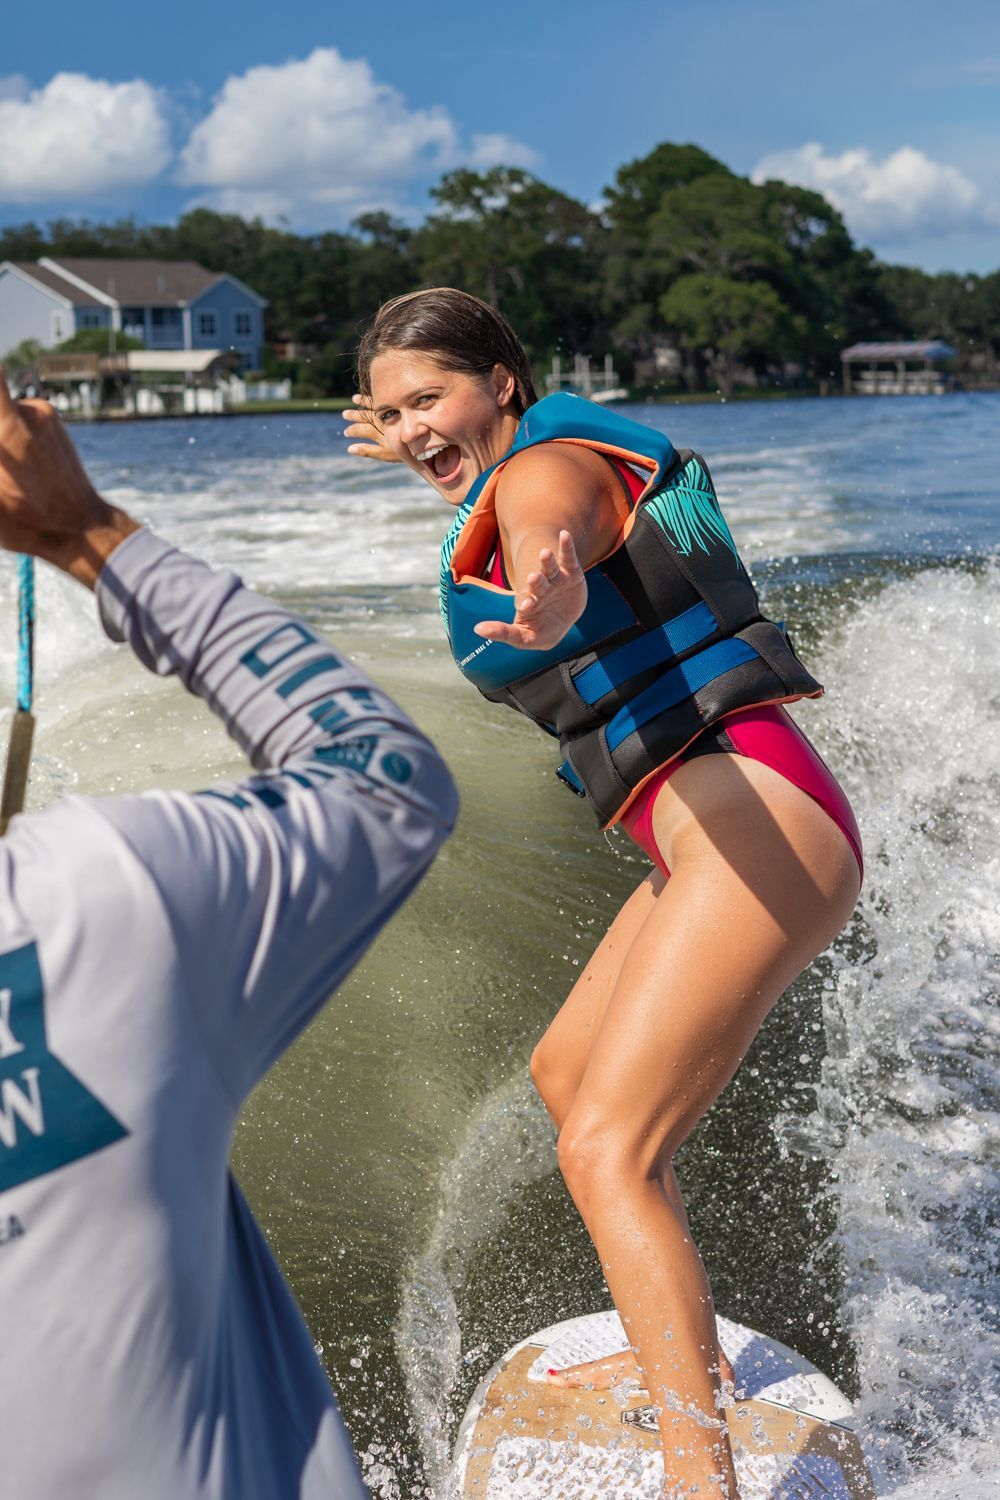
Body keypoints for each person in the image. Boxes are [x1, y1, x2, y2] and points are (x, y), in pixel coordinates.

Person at [343, 288, 863, 1499]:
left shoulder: (547, 473)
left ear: (504, 385)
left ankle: (700, 1477)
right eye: (387, 412)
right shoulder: (500, 460)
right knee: (568, 1079)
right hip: (722, 832)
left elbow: (550, 533)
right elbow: (490, 483)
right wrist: (417, 433)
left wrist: (551, 586)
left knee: (606, 1149)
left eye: (433, 398)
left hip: (756, 819)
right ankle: (669, 1345)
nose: (412, 429)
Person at [0, 373, 457, 1499]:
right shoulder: (86, 902)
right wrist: (85, 531)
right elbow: (386, 781)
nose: (403, 428)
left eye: (421, 402)